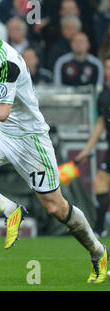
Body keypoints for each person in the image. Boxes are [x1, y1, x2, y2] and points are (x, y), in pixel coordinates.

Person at [0, 10, 108, 283]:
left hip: (30, 140)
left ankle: (98, 251)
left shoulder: (8, 64)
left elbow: (2, 111)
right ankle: (11, 210)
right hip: (1, 134)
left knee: (56, 208)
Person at [75, 56, 110, 237]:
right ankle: (99, 229)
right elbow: (101, 123)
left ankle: (98, 229)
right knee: (100, 184)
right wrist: (87, 149)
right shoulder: (104, 94)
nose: (108, 71)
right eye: (107, 67)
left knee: (101, 183)